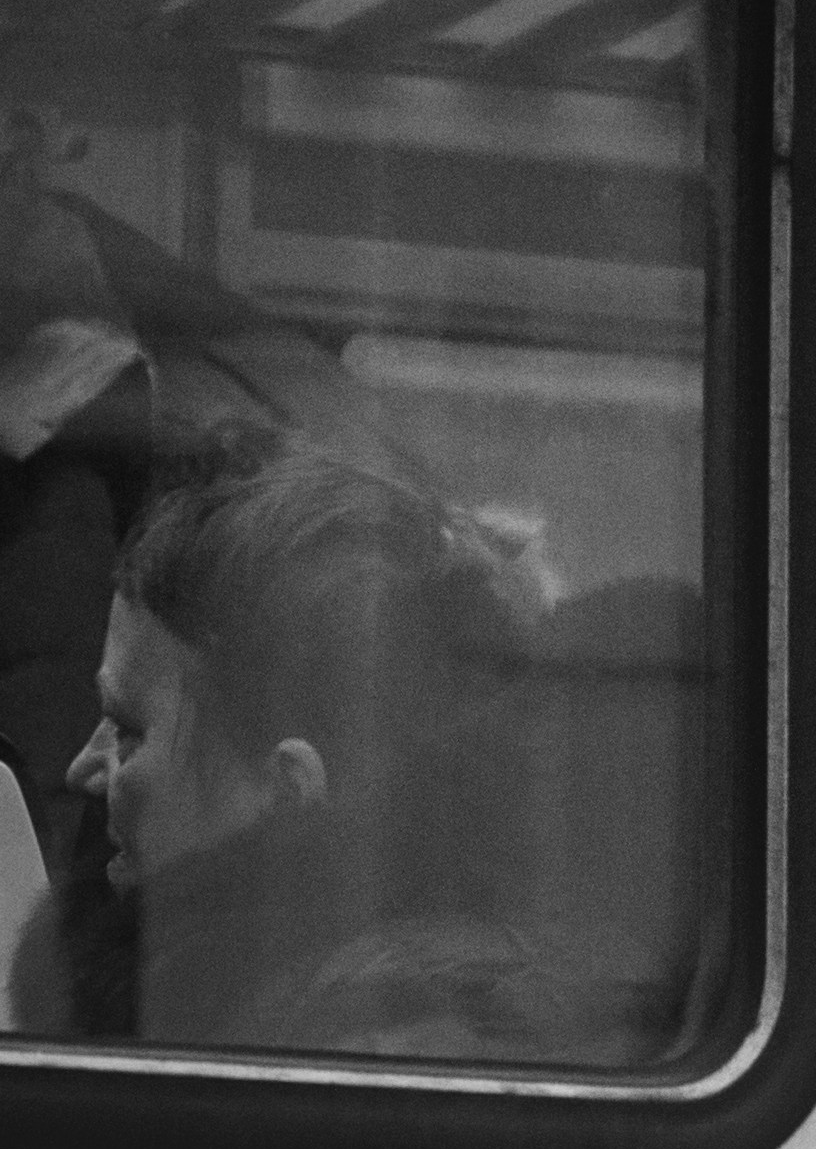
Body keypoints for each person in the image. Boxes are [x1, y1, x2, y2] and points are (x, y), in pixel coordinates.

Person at [65, 435, 568, 1061]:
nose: (81, 770)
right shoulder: (381, 1000)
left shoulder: (352, 1046)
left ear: (287, 794)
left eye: (128, 730)